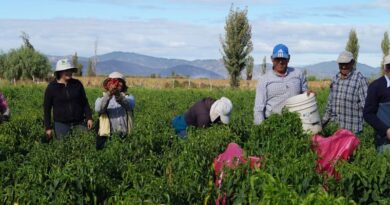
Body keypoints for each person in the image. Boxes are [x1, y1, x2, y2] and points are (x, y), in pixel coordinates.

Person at [254, 44, 309, 125]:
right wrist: (260, 129)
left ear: (288, 59)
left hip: (297, 122)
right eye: (277, 59)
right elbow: (259, 108)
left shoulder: (298, 74)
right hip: (273, 123)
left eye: (283, 58)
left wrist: (308, 94)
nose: (280, 62)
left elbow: (304, 95)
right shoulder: (264, 79)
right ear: (272, 59)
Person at [44, 59, 93, 140]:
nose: (69, 72)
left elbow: (84, 102)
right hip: (61, 124)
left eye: (70, 70)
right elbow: (47, 109)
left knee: (85, 143)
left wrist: (89, 118)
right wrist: (48, 128)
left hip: (79, 122)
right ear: (59, 72)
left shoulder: (77, 84)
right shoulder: (51, 88)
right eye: (66, 70)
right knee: (63, 147)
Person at [322, 51, 368, 134]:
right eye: (341, 63)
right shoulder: (335, 79)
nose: (343, 66)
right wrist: (322, 124)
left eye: (346, 63)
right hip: (335, 129)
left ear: (352, 63)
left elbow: (366, 106)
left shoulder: (359, 79)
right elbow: (330, 105)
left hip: (353, 131)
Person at [95, 72, 135, 149]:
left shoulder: (128, 97)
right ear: (108, 84)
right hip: (106, 135)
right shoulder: (101, 98)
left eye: (119, 81)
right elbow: (99, 109)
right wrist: (109, 94)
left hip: (125, 134)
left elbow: (130, 106)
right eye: (113, 81)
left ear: (123, 84)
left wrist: (118, 95)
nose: (116, 84)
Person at [364, 55, 390, 153]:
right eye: (389, 67)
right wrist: (386, 130)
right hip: (385, 141)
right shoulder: (376, 86)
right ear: (384, 68)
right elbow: (368, 114)